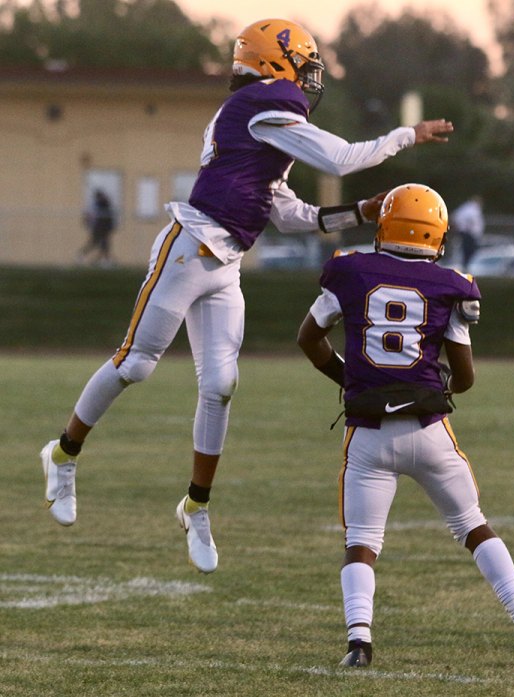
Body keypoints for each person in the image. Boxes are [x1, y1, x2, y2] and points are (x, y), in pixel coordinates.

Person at [40, 19, 454, 575]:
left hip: (227, 263)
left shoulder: (260, 130)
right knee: (136, 363)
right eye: (303, 66)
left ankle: (196, 505)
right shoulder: (263, 105)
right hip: (190, 246)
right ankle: (64, 453)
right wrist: (406, 135)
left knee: (221, 386)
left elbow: (294, 216)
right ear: (274, 63)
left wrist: (359, 212)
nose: (309, 80)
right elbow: (341, 159)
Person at [297, 183, 514, 667]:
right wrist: (437, 388)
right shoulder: (451, 283)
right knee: (474, 527)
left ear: (384, 227)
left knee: (362, 544)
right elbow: (465, 377)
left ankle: (359, 644)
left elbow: (309, 339)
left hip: (369, 434)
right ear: (437, 236)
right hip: (429, 430)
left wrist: (353, 378)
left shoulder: (349, 270)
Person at [79, 189, 117, 266]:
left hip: (105, 229)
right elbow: (89, 216)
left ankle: (104, 260)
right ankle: (82, 255)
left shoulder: (106, 205)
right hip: (98, 228)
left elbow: (110, 217)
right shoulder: (96, 205)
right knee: (94, 243)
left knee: (105, 245)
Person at [450, 194, 485, 270]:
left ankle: (466, 267)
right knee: (467, 252)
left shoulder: (473, 209)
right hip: (468, 234)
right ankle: (465, 267)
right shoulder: (470, 208)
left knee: (470, 252)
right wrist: (466, 227)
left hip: (471, 234)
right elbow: (458, 217)